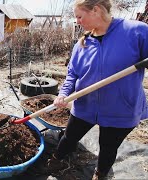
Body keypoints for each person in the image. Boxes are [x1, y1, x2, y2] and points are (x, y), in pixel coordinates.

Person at [49, 0, 148, 179]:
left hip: (121, 109)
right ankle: (57, 158)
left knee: (108, 147)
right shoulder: (81, 45)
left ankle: (100, 174)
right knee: (69, 136)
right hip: (85, 105)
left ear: (95, 10)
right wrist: (63, 94)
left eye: (79, 16)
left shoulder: (136, 32)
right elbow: (72, 74)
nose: (77, 21)